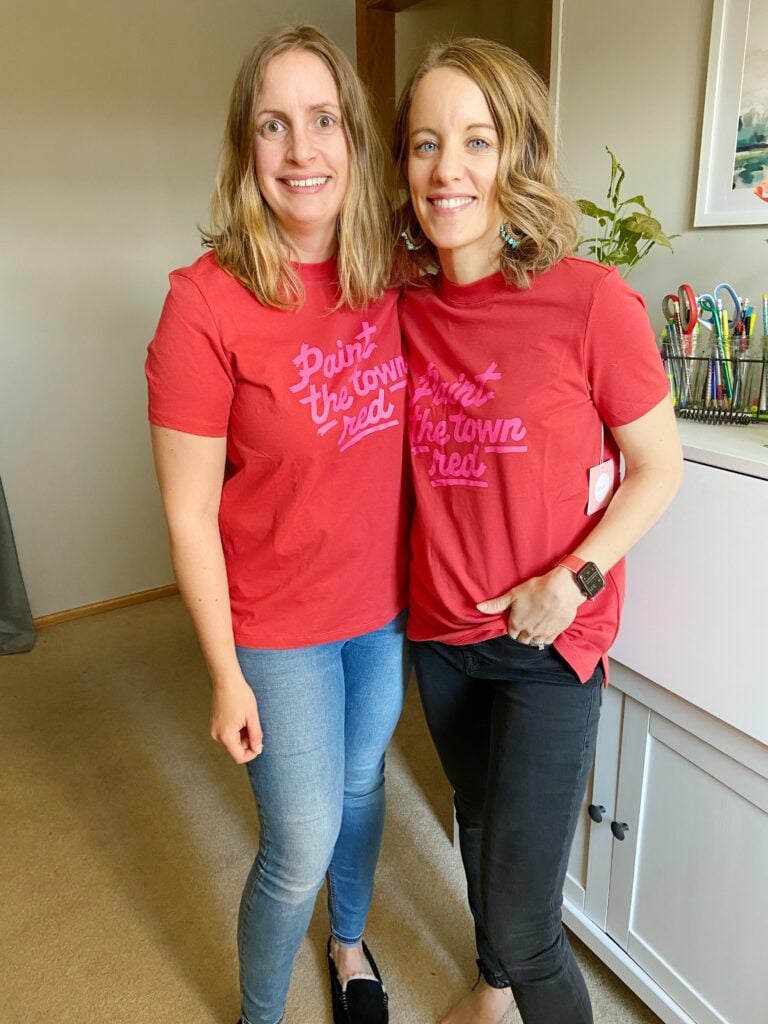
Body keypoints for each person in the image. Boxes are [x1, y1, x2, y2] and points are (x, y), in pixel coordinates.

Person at [392, 38, 682, 1024]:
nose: (448, 168)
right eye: (426, 143)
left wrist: (575, 579)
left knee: (528, 922)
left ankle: (511, 971)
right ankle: (490, 992)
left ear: (516, 154)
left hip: (550, 646)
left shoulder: (591, 301)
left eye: (477, 139)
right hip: (441, 638)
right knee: (476, 825)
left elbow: (660, 466)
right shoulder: (400, 305)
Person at [146, 25, 409, 1024]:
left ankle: (349, 945)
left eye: (322, 119)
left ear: (352, 135)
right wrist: (223, 672)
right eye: (274, 125)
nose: (302, 149)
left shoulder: (392, 275)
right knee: (298, 838)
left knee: (360, 789)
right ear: (245, 149)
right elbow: (187, 509)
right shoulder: (202, 306)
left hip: (382, 610)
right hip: (277, 627)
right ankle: (263, 1014)